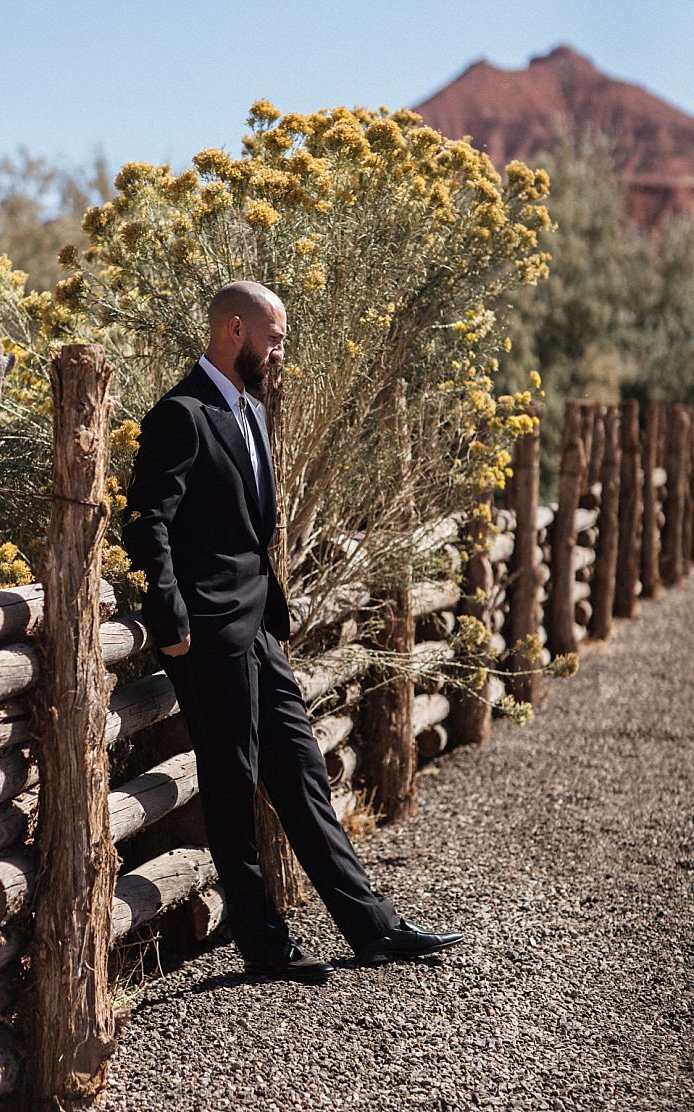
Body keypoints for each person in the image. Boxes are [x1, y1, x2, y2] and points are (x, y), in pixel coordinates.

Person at [121, 280, 464, 983]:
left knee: (303, 775)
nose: (282, 350)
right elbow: (146, 519)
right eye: (274, 337)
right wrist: (172, 620)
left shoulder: (247, 410)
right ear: (236, 329)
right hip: (210, 636)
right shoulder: (180, 415)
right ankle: (265, 945)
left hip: (258, 632)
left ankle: (373, 927)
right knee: (233, 783)